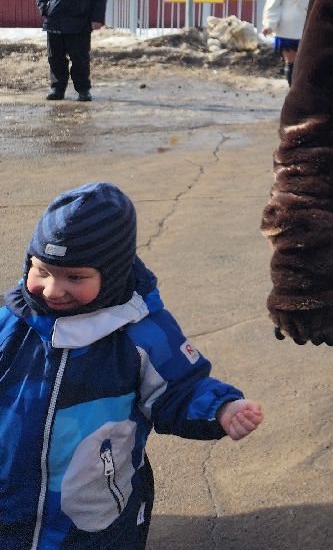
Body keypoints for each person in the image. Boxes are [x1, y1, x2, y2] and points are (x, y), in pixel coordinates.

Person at [1, 182, 263, 549]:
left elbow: (180, 388)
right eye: (42, 270)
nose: (52, 289)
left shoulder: (141, 333)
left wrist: (220, 408)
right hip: (9, 505)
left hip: (95, 519)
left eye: (75, 277)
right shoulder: (14, 320)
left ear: (111, 275)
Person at [261, 0, 318, 86]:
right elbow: (272, 5)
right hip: (288, 31)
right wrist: (269, 24)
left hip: (308, 30)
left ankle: (305, 91)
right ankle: (292, 91)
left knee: (306, 63)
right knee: (291, 63)